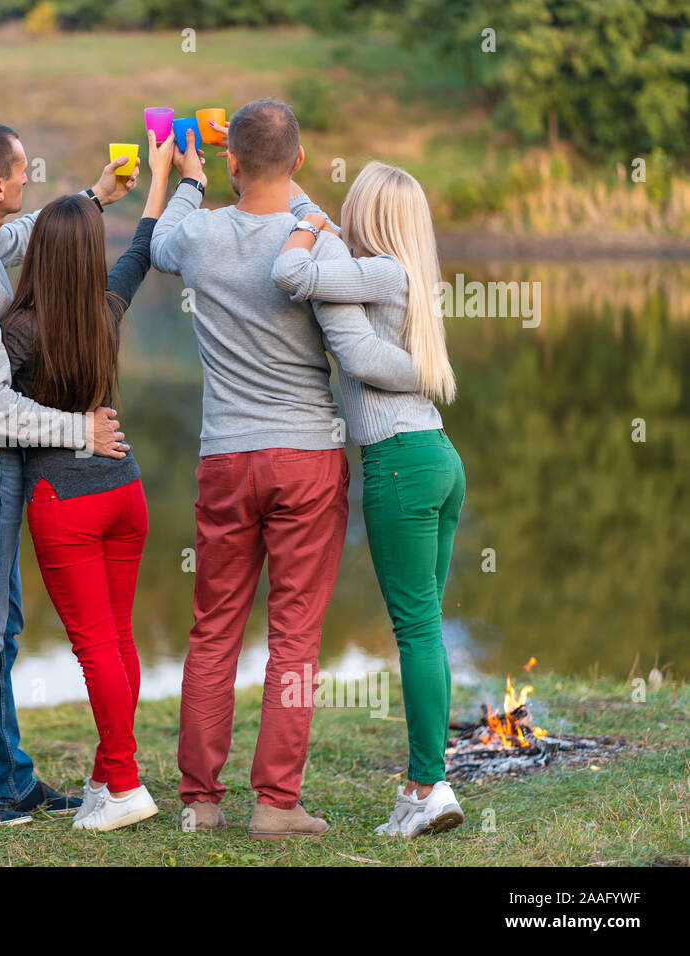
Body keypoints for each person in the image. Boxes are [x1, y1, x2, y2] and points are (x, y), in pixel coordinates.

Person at [150, 99, 422, 840]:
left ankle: (199, 803)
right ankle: (276, 803)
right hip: (305, 455)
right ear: (300, 162)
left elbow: (161, 241)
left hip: (226, 457)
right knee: (295, 635)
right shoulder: (320, 245)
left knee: (213, 632)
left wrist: (186, 175)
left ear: (230, 162)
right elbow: (354, 352)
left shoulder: (199, 235)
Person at [0, 128, 181, 832]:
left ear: (34, 253)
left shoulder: (17, 329)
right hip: (124, 487)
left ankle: (120, 782)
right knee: (119, 639)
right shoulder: (109, 308)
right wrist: (172, 180)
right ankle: (106, 773)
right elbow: (141, 252)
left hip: (63, 499)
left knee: (84, 643)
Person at [272, 160, 465, 837]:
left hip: (401, 464)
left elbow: (292, 275)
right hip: (438, 457)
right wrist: (283, 181)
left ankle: (426, 786)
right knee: (427, 626)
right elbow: (315, 222)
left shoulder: (379, 273)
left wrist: (303, 225)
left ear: (369, 215)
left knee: (414, 628)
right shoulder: (406, 274)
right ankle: (427, 781)